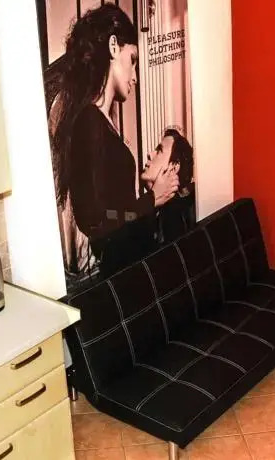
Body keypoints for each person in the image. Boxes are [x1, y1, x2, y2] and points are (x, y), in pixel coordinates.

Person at [49, 3, 179, 283]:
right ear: (113, 47)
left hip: (130, 270)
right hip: (120, 278)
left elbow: (116, 214)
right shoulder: (88, 121)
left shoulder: (101, 121)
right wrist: (151, 200)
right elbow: (96, 221)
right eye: (132, 60)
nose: (135, 77)